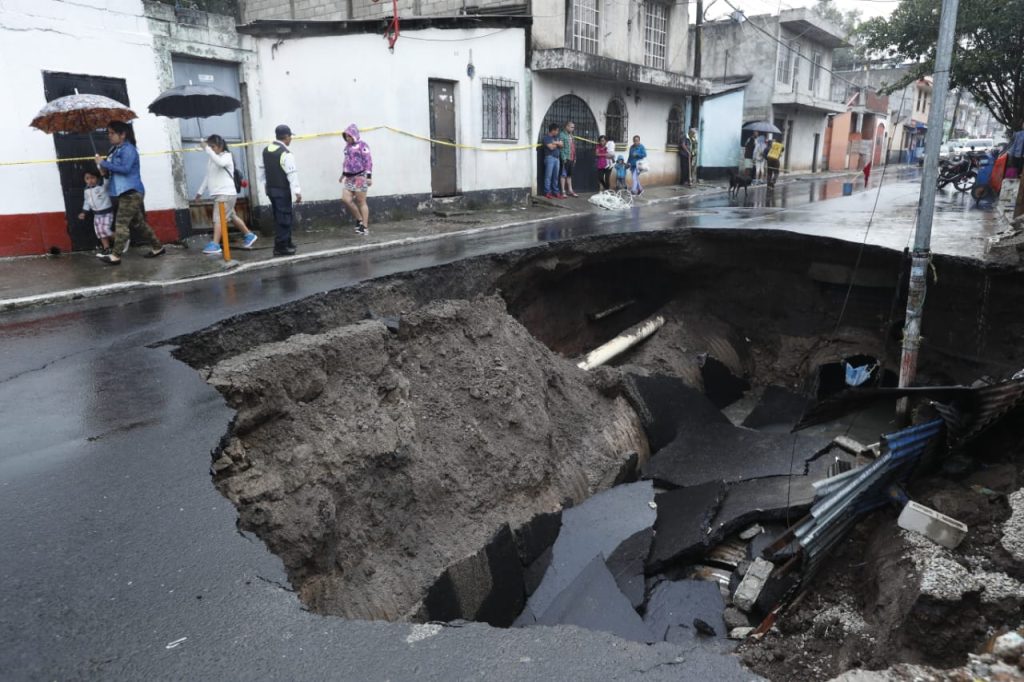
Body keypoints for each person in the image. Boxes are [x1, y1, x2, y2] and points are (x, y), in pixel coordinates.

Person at [95, 121, 165, 265]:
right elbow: (113, 173)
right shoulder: (114, 150)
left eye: (112, 133)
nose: (109, 136)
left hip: (131, 192)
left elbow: (126, 169)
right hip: (123, 192)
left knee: (121, 224)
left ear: (122, 134)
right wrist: (104, 171)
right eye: (108, 133)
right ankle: (158, 247)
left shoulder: (129, 149)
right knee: (139, 224)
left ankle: (115, 256)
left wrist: (104, 163)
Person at [195, 134, 258, 255]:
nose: (211, 149)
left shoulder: (226, 156)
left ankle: (215, 244)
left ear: (219, 146)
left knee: (218, 219)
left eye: (212, 146)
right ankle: (249, 235)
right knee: (232, 216)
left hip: (225, 193)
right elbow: (208, 176)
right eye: (210, 147)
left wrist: (207, 149)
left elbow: (220, 163)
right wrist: (199, 192)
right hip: (223, 194)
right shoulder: (212, 158)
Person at [260, 124, 302, 257]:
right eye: (290, 137)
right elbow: (292, 174)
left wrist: (265, 184)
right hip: (282, 190)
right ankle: (281, 247)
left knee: (280, 216)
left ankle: (287, 242)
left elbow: (262, 169)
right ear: (286, 137)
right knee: (284, 217)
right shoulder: (285, 153)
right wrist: (297, 191)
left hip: (271, 190)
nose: (291, 140)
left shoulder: (266, 150)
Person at [339, 124, 373, 235]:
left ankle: (365, 227)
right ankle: (359, 219)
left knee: (361, 201)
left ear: (354, 135)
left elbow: (368, 161)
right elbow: (346, 161)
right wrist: (343, 174)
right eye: (346, 136)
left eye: (349, 136)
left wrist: (368, 176)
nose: (348, 138)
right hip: (349, 178)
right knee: (345, 199)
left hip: (360, 177)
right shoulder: (347, 147)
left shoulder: (363, 145)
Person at [78, 167, 114, 256]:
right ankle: (107, 248)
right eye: (87, 178)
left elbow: (107, 180)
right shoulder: (86, 191)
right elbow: (86, 202)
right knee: (100, 232)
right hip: (96, 215)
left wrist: (104, 174)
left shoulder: (102, 187)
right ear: (84, 180)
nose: (90, 180)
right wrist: (84, 212)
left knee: (105, 230)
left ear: (97, 178)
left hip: (106, 213)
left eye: (92, 178)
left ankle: (122, 239)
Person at [541, 123, 562, 199]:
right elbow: (551, 148)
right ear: (552, 130)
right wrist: (558, 143)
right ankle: (547, 192)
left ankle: (556, 192)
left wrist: (555, 143)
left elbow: (562, 145)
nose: (557, 132)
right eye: (556, 131)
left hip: (557, 158)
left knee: (555, 177)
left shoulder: (557, 137)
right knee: (548, 176)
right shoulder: (546, 138)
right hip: (549, 158)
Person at [558, 121, 578, 197]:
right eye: (571, 127)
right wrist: (563, 158)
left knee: (569, 175)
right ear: (567, 127)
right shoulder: (562, 135)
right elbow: (561, 148)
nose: (573, 128)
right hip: (566, 158)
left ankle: (570, 190)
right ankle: (563, 191)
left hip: (572, 158)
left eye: (573, 127)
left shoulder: (571, 136)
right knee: (563, 174)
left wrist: (575, 157)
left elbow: (573, 147)